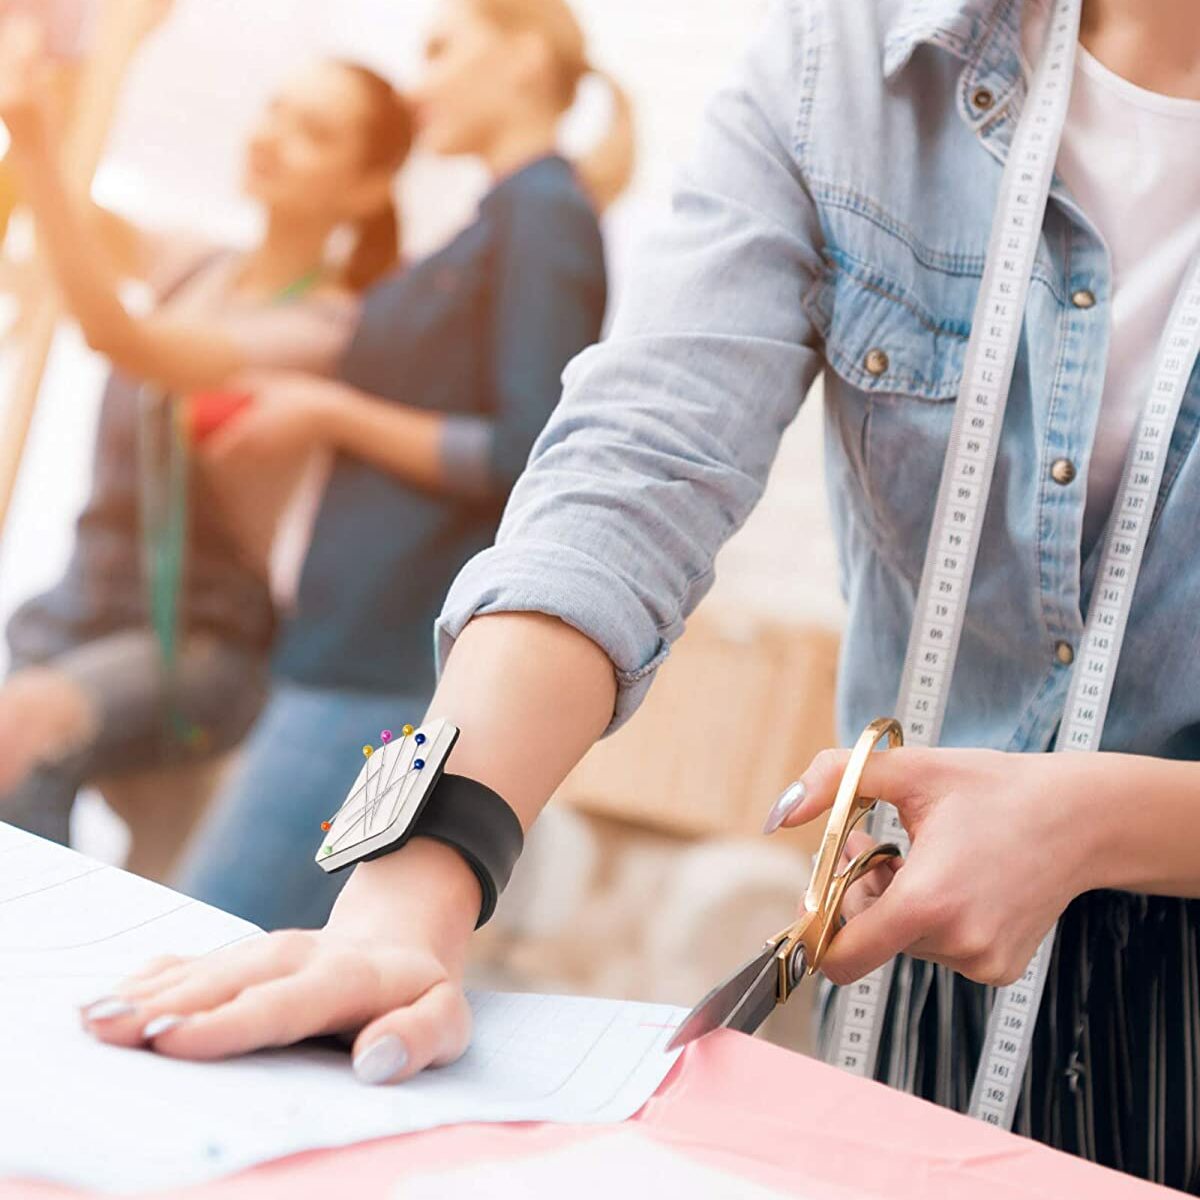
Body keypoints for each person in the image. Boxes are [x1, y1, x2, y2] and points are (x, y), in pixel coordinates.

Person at [80, 0, 1200, 1189]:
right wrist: (408, 887)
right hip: (926, 940)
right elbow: (635, 461)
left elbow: (507, 440)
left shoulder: (536, 218)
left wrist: (1104, 820)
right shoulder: (848, 65)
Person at [162, 0, 630, 930]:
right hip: (342, 659)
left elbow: (524, 452)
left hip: (386, 677)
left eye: (441, 49)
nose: (420, 86)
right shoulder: (496, 224)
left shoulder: (545, 217)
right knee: (268, 957)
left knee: (211, 938)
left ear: (524, 56)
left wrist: (332, 410)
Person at [0, 8, 413, 848]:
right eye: (276, 111)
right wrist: (80, 71)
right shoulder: (194, 260)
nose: (274, 136)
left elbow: (126, 337)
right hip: (80, 605)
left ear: (365, 187)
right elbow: (64, 218)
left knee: (19, 736)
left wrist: (38, 148)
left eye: (314, 131)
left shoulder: (331, 326)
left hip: (198, 646)